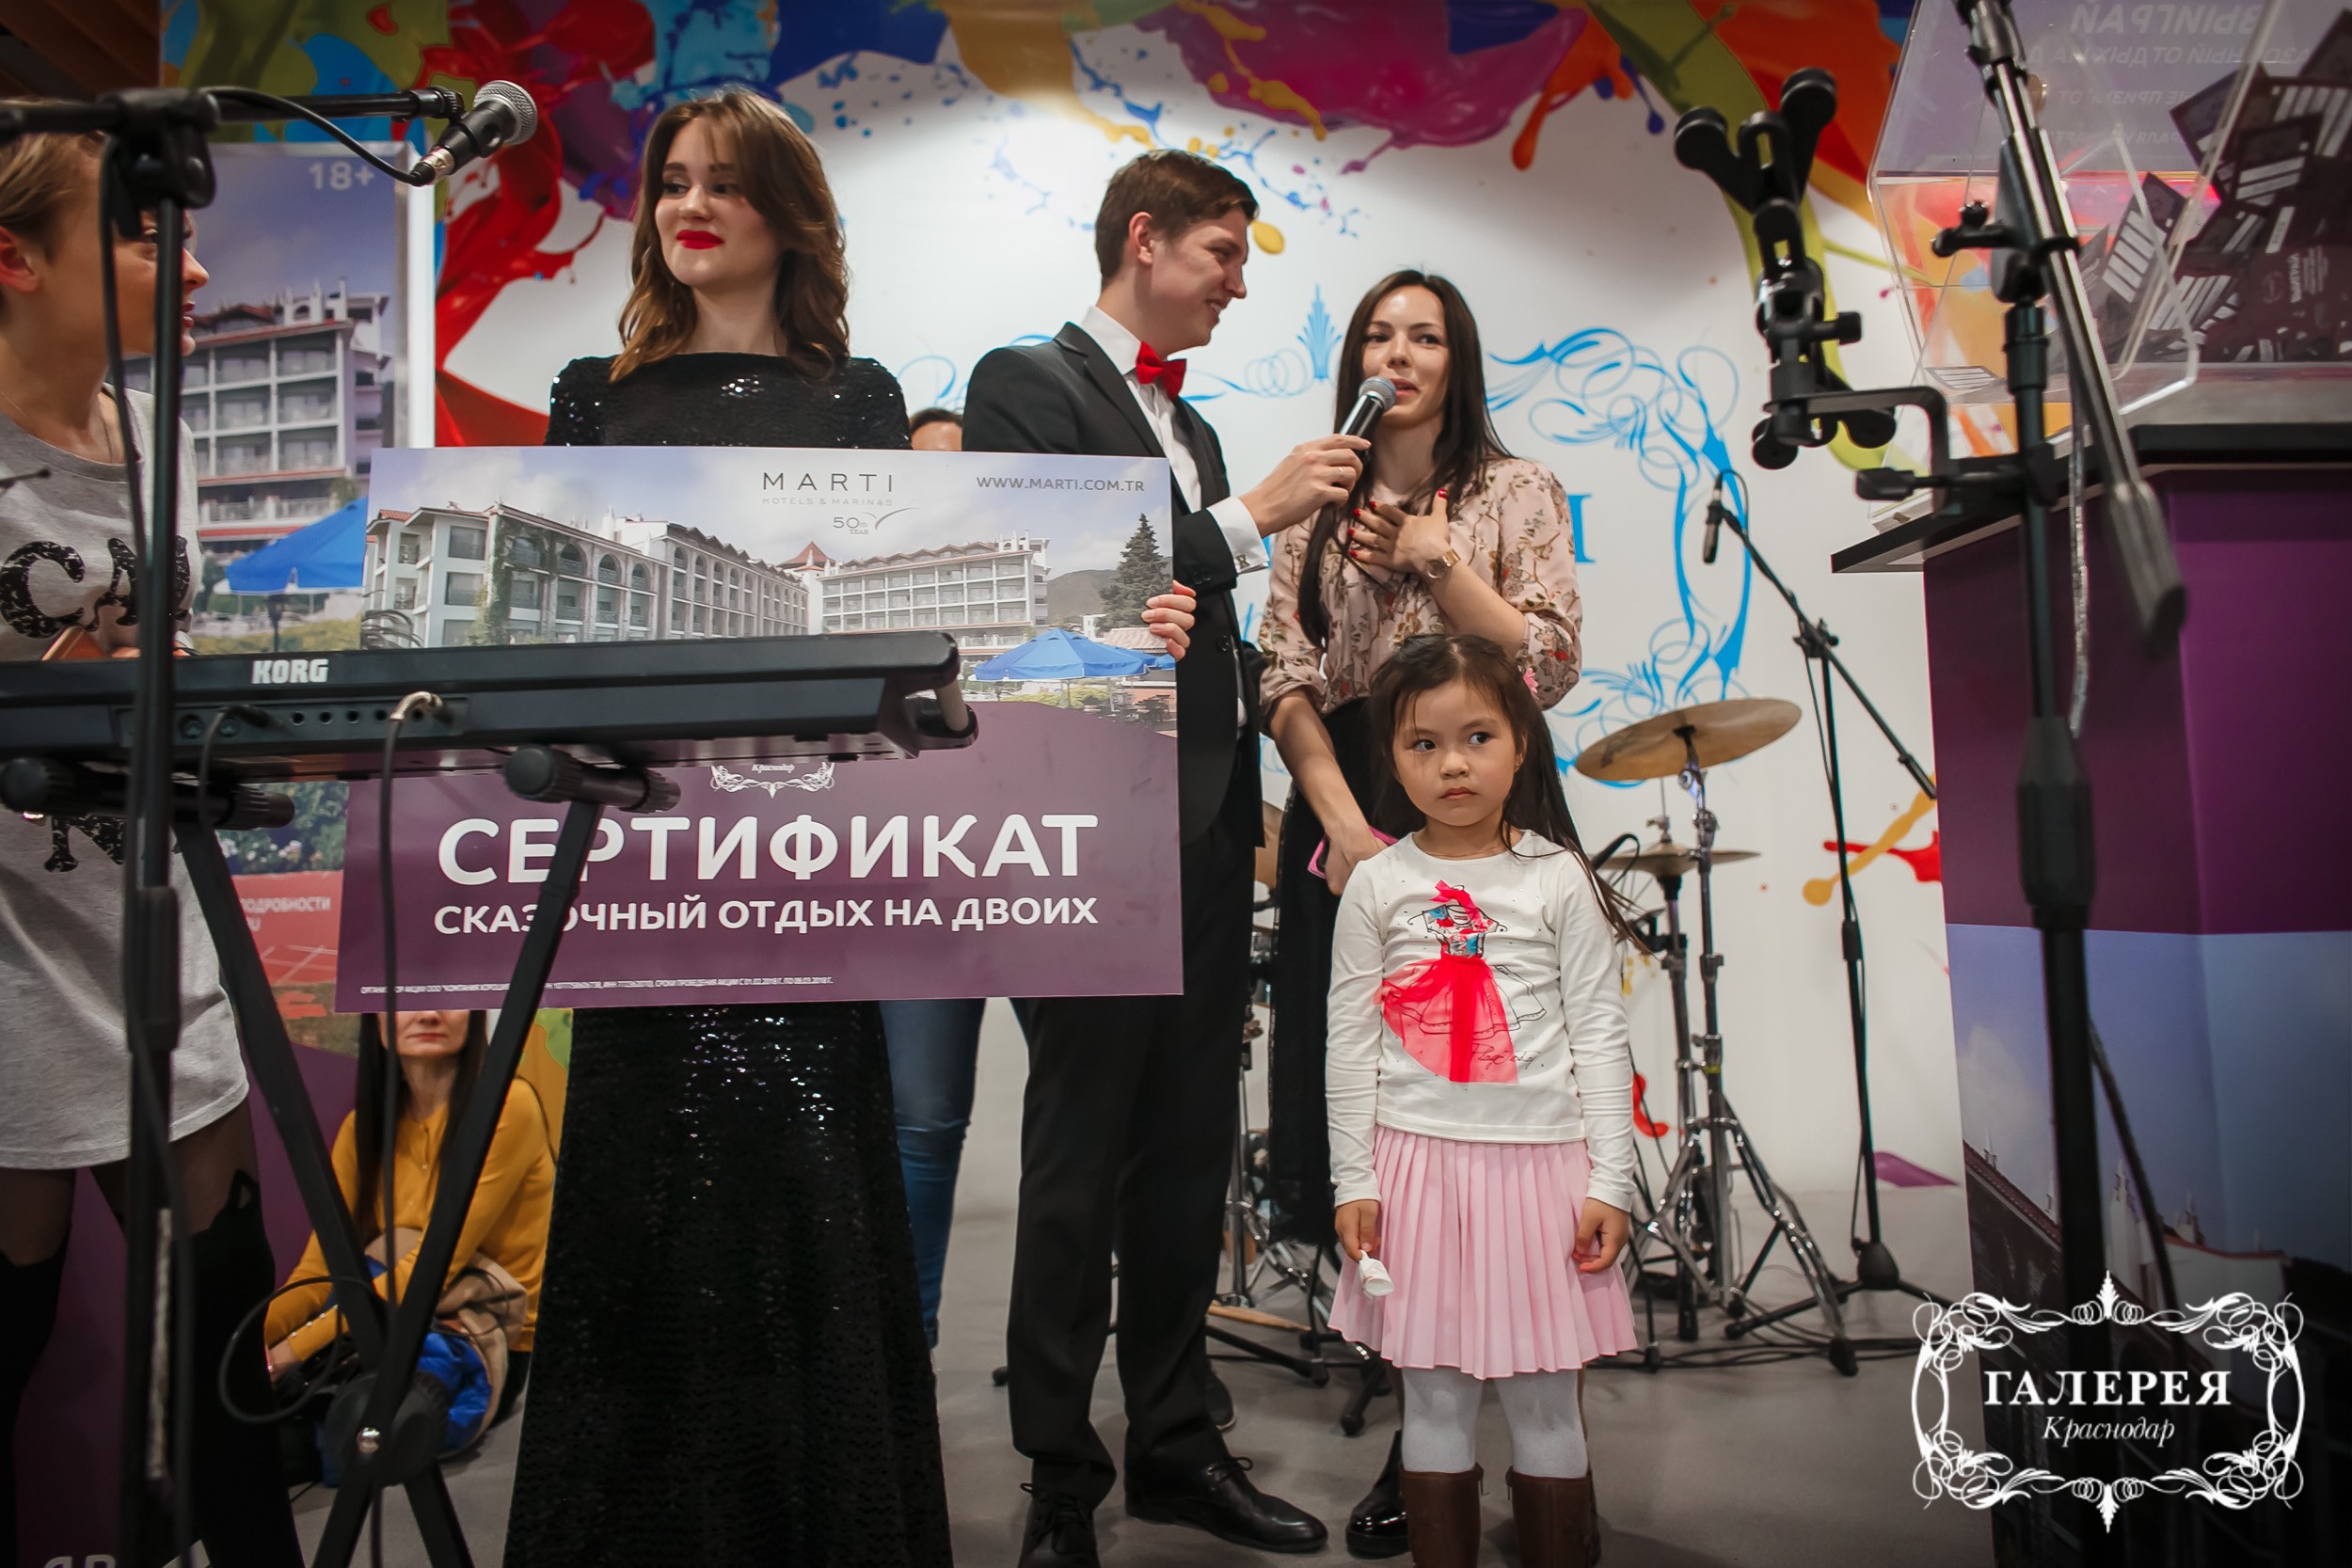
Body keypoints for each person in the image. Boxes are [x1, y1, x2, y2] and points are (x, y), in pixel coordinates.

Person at [506, 92, 1193, 1568]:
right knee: (643, 1206)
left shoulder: (859, 398)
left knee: (816, 1198)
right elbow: (565, 653)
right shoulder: (591, 396)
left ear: (790, 214)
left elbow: (904, 671)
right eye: (672, 183)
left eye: (726, 184)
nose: (691, 207)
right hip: (650, 885)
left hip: (806, 896)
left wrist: (1130, 632)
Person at [964, 147, 1368, 1567]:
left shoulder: (1185, 424)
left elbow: (1188, 616)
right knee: (1077, 1160)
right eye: (1224, 253)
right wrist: (1254, 515)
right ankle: (1058, 1479)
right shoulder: (1024, 382)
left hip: (1201, 826)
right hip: (1087, 826)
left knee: (1191, 1152)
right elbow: (1051, 581)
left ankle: (1180, 1446)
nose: (1237, 285)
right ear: (1146, 238)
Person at [0, 115, 301, 1567]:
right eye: (140, 235)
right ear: (15, 258)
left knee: (227, 1329)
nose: (185, 264)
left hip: (152, 925)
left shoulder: (157, 435)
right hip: (9, 953)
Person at [1255, 269, 1586, 1555]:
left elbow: (1547, 661)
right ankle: (1424, 1424)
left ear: (1460, 357)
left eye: (1426, 333)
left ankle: (1496, 1430)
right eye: (1380, 333)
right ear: (1354, 357)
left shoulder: (1515, 490)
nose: (1400, 352)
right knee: (1383, 1124)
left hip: (1486, 808)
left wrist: (1437, 560)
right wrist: (1345, 827)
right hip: (1352, 808)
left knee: (1496, 1103)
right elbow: (1283, 676)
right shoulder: (1310, 500)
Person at [1325, 634, 1643, 1568]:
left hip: (1544, 1177)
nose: (1453, 764)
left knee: (1547, 1404)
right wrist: (1353, 1177)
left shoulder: (1558, 878)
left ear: (1521, 744)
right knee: (1432, 1402)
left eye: (1477, 737)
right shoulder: (1377, 882)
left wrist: (1612, 1181)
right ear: (1392, 758)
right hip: (1414, 1174)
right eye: (1423, 743)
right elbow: (1348, 1041)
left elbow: (1600, 1036)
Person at [263, 1010, 553, 1434]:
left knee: (349, 1427)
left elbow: (430, 1272)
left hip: (482, 1339)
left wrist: (289, 1353)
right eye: (406, 998)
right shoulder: (363, 1128)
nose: (428, 1014)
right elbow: (319, 1273)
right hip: (381, 1324)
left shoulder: (508, 1105)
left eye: (444, 996)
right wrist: (261, 1343)